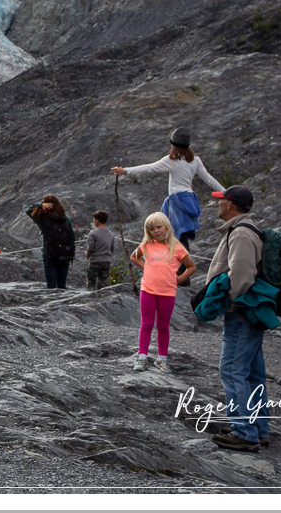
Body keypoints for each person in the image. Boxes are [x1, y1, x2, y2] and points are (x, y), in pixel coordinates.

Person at [204, 185, 269, 452]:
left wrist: (227, 304)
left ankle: (244, 431)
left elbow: (241, 278)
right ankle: (258, 428)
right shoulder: (245, 230)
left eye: (221, 201)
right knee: (253, 373)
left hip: (241, 313)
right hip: (250, 313)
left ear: (230, 205)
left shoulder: (241, 233)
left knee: (231, 370)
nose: (218, 205)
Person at [111, 127, 224, 251]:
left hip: (177, 201)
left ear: (172, 144)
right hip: (189, 200)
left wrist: (125, 171)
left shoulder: (172, 160)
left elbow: (149, 168)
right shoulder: (195, 160)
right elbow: (208, 179)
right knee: (180, 236)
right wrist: (226, 192)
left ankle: (180, 267)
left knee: (176, 237)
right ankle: (180, 266)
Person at [127, 212, 196, 372]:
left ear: (167, 226)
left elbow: (192, 267)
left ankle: (162, 359)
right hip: (148, 291)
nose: (156, 231)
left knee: (163, 326)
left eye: (159, 227)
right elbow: (134, 257)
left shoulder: (177, 247)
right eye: (151, 229)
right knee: (146, 324)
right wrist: (147, 267)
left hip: (168, 293)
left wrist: (179, 279)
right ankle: (142, 357)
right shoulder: (146, 245)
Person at [24, 195, 74, 289]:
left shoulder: (44, 222)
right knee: (62, 286)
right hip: (65, 256)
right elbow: (72, 237)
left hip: (49, 256)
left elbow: (28, 210)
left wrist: (40, 205)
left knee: (51, 286)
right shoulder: (65, 220)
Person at [86, 211, 117, 291]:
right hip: (106, 261)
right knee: (103, 283)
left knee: (91, 282)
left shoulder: (93, 233)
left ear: (97, 220)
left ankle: (91, 300)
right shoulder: (111, 234)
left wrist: (88, 256)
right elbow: (112, 249)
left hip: (95, 260)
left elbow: (91, 247)